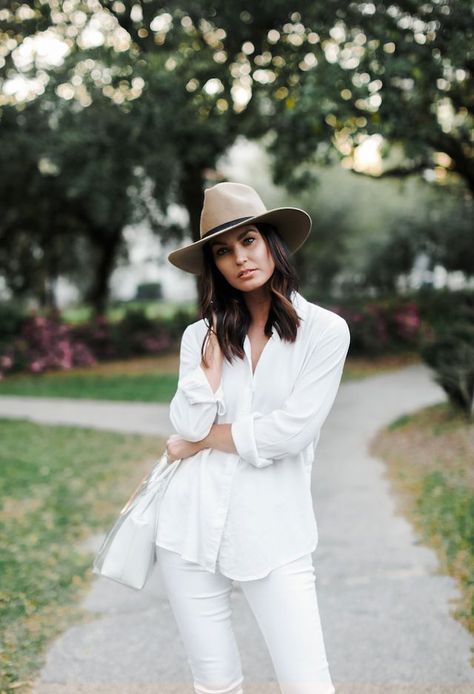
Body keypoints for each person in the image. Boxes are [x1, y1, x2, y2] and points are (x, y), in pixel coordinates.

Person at [156, 181, 350, 694]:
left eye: (248, 241)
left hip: (275, 532)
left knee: (307, 683)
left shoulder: (324, 331)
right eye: (223, 250)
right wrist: (211, 364)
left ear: (271, 242)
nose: (239, 258)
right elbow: (187, 422)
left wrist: (198, 443)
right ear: (213, 265)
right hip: (189, 528)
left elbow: (289, 433)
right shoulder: (200, 335)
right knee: (215, 684)